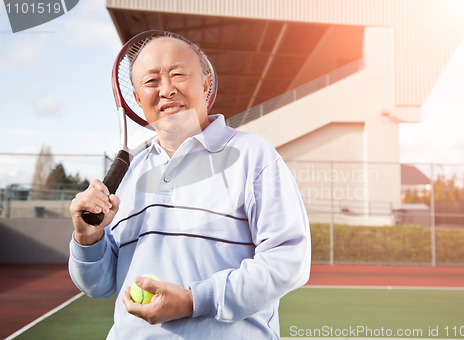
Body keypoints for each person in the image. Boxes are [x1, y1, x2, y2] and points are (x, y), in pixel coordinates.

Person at [69, 31, 311, 339]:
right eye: (152, 81)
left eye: (178, 74)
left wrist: (192, 301)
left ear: (205, 84)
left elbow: (287, 261)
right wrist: (88, 239)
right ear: (138, 97)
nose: (167, 90)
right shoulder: (128, 175)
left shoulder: (254, 155)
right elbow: (99, 286)